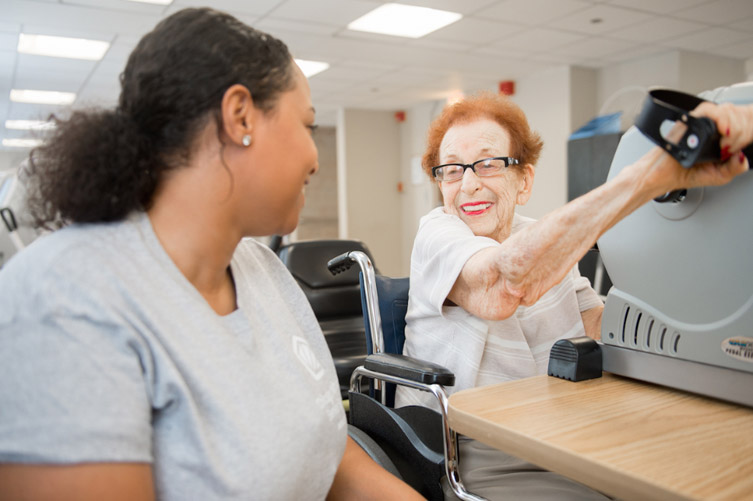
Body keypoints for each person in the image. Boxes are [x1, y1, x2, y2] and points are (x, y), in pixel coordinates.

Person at [0, 8, 422, 501]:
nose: (315, 157)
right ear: (239, 116)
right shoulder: (64, 300)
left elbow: (327, 454)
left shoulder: (264, 272)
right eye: (307, 126)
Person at [395, 92, 752, 500]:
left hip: (561, 429)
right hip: (475, 447)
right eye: (452, 170)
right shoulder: (437, 234)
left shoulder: (536, 239)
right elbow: (502, 285)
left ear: (524, 180)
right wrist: (654, 175)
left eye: (488, 163)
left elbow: (598, 326)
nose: (469, 183)